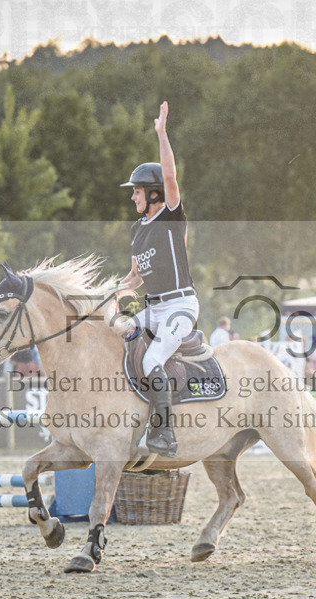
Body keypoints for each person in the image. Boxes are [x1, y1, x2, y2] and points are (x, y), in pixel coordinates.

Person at [116, 101, 195, 458]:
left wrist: (161, 134)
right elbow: (135, 277)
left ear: (153, 194)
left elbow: (171, 177)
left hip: (180, 306)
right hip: (153, 307)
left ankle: (164, 434)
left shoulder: (170, 218)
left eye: (136, 190)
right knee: (116, 334)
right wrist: (113, 291)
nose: (132, 195)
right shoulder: (137, 229)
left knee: (151, 362)